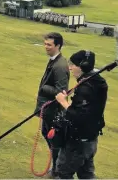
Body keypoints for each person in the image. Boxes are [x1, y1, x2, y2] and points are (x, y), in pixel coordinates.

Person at [54, 50, 108, 179]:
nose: (70, 67)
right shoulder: (97, 81)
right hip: (90, 139)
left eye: (73, 64)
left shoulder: (86, 87)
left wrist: (63, 102)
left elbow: (78, 116)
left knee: (63, 172)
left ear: (82, 66)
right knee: (86, 174)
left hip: (78, 141)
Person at [34, 32, 70, 177]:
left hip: (53, 111)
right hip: (47, 108)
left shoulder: (60, 66)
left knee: (54, 140)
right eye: (45, 44)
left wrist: (44, 88)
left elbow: (62, 91)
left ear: (58, 45)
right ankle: (56, 166)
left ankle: (57, 168)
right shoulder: (54, 60)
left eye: (49, 45)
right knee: (46, 134)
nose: (46, 47)